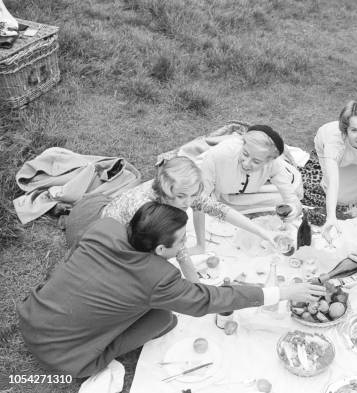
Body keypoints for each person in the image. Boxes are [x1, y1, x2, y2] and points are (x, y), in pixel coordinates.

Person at [18, 202, 326, 378]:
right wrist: (284, 293)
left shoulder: (105, 227)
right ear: (162, 248)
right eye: (181, 241)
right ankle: (93, 354)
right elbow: (211, 300)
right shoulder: (159, 278)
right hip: (66, 357)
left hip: (31, 318)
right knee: (164, 320)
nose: (185, 245)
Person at [65, 156, 287, 260]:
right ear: (165, 190)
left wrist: (262, 232)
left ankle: (198, 245)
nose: (188, 202)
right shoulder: (145, 208)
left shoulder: (184, 194)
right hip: (107, 233)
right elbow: (141, 252)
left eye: (192, 195)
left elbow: (220, 210)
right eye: (182, 196)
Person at [300, 99, 357, 234]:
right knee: (334, 191)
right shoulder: (334, 144)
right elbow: (333, 183)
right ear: (345, 130)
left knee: (356, 191)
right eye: (354, 130)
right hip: (327, 145)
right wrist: (331, 217)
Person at [194, 124, 303, 217]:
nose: (246, 164)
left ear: (268, 161)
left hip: (247, 194)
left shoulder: (274, 164)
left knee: (285, 197)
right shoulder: (218, 155)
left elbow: (291, 199)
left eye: (256, 161)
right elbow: (202, 197)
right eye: (245, 154)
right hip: (217, 191)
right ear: (243, 144)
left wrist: (292, 212)